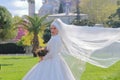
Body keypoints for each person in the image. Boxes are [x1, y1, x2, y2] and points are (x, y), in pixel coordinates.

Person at [22, 18, 120, 80]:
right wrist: (43, 53)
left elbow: (53, 53)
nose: (52, 30)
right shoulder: (54, 38)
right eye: (51, 28)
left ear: (59, 29)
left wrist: (44, 58)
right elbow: (49, 49)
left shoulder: (57, 39)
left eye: (54, 28)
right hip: (53, 60)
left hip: (53, 61)